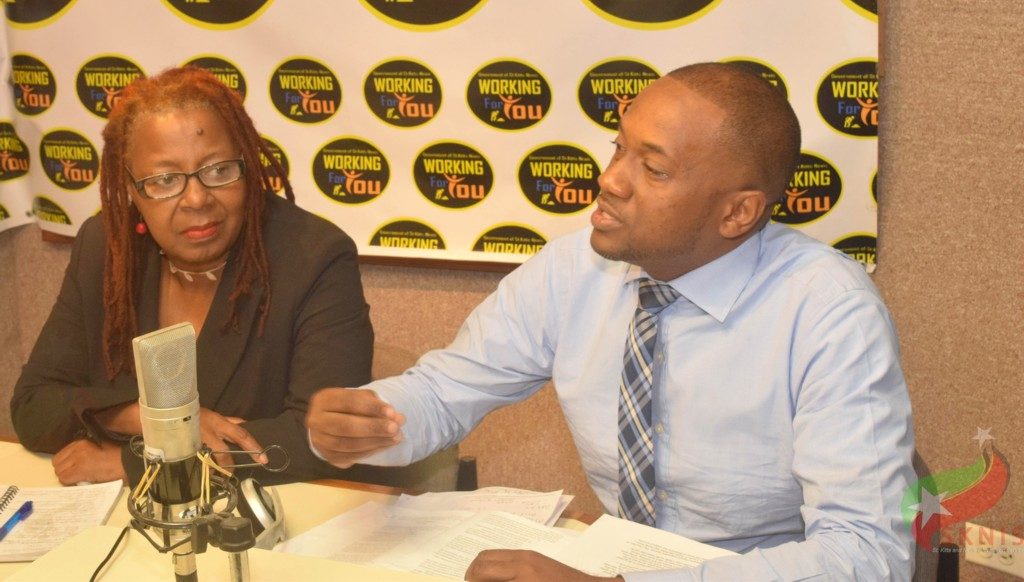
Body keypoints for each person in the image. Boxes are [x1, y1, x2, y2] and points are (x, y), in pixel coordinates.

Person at [306, 62, 916, 581]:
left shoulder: (829, 310)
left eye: (654, 169)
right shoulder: (572, 269)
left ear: (738, 213)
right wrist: (371, 421)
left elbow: (867, 553)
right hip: (616, 558)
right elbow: (444, 391)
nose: (610, 180)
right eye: (618, 148)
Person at [11, 67, 407, 488]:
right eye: (165, 180)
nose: (197, 198)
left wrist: (137, 463)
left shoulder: (314, 257)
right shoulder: (107, 247)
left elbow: (319, 439)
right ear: (131, 188)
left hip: (276, 510)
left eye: (218, 170)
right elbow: (35, 404)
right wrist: (146, 419)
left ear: (247, 165)